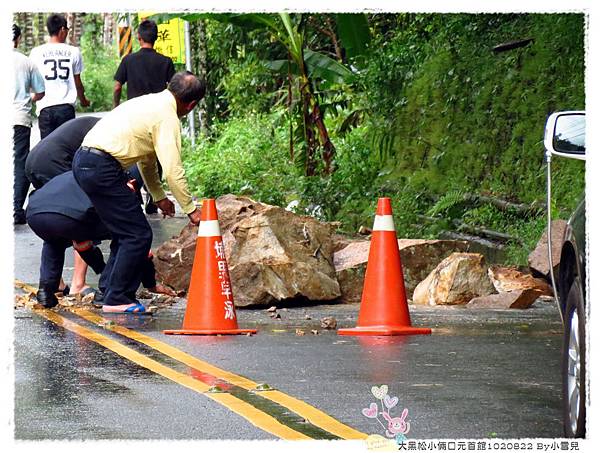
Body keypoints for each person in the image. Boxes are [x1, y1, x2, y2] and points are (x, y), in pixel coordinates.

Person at [73, 71, 204, 314]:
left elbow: (147, 161)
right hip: (102, 167)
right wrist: (191, 210)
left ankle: (108, 292)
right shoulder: (167, 117)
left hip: (85, 161)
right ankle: (118, 298)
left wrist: (160, 197)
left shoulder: (150, 102)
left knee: (125, 232)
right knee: (138, 234)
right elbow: (173, 169)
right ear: (192, 104)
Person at [26, 171, 175, 309]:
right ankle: (107, 290)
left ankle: (46, 291)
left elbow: (82, 244)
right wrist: (150, 283)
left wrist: (100, 268)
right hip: (70, 216)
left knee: (53, 239)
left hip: (35, 214)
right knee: (128, 235)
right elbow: (137, 241)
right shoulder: (116, 183)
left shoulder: (85, 171)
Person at [25, 116, 101, 296]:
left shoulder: (93, 123)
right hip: (55, 162)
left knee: (55, 215)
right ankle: (78, 283)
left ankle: (54, 283)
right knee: (81, 215)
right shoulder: (107, 131)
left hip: (34, 161)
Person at [113, 19, 176, 214]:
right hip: (157, 117)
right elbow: (173, 90)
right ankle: (152, 195)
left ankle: (134, 191)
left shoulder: (128, 60)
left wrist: (116, 106)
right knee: (155, 156)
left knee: (133, 155)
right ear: (156, 38)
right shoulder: (165, 62)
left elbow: (117, 86)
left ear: (138, 38)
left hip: (133, 116)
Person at [29, 14, 90, 139]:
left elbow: (32, 82)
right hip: (65, 109)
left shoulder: (36, 52)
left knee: (47, 150)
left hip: (45, 109)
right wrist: (83, 100)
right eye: (67, 30)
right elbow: (77, 82)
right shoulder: (73, 51)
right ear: (62, 29)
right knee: (66, 148)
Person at [12, 23, 45, 225]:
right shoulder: (26, 62)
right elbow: (40, 92)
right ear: (18, 39)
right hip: (18, 119)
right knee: (19, 164)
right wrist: (27, 99)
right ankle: (16, 209)